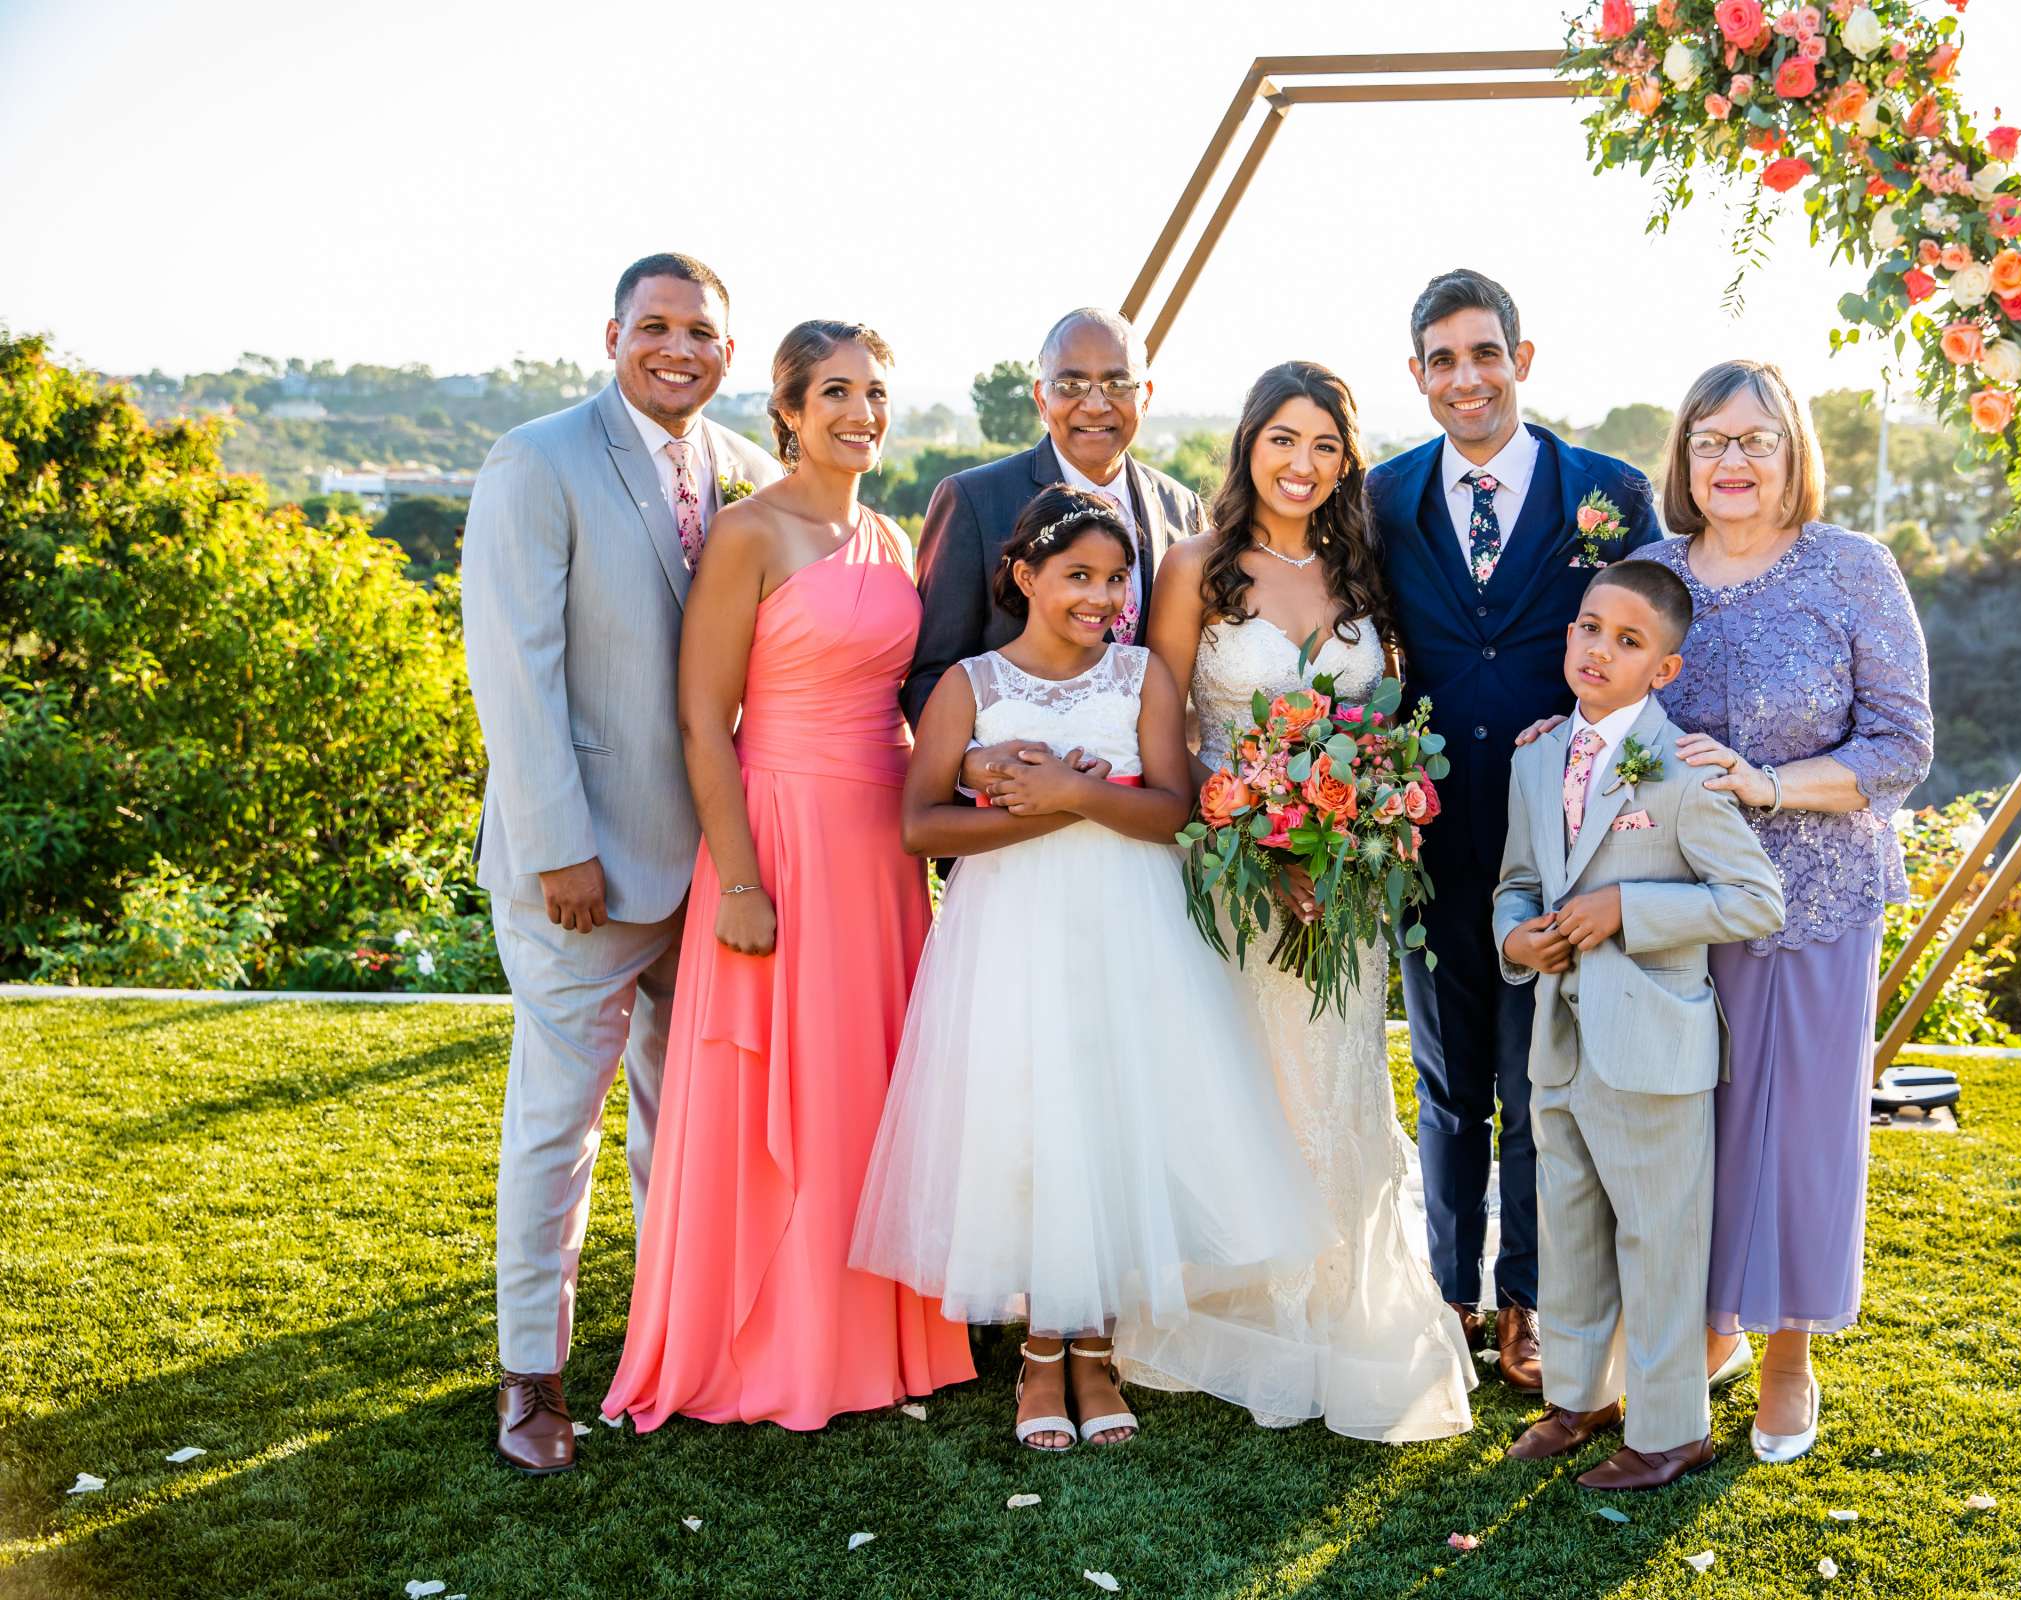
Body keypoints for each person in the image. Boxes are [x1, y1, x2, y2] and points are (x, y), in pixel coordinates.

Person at [851, 487, 1332, 1453]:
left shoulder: (1141, 676)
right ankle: (1040, 1355)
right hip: (1012, 937)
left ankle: (1098, 1349)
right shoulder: (971, 687)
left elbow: (1170, 809)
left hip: (1129, 930)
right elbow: (918, 825)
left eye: (1116, 579)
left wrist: (1071, 793)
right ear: (1025, 575)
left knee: (1112, 1114)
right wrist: (1017, 808)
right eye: (1078, 576)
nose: (1102, 597)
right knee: (1031, 1123)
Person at [602, 321, 975, 1434]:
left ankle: (879, 1335)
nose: (861, 414)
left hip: (880, 844)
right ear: (789, 411)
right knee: (789, 1088)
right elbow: (702, 721)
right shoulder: (747, 534)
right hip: (779, 837)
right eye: (836, 395)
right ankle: (771, 1339)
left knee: (871, 1084)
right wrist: (742, 880)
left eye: (875, 395)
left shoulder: (892, 538)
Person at [461, 252, 781, 1474]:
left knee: (682, 1122)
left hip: (709, 869)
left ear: (728, 354)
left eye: (700, 331)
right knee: (559, 1126)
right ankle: (529, 1377)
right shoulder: (535, 461)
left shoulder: (744, 473)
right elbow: (515, 671)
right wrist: (557, 848)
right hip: (581, 872)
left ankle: (670, 1341)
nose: (678, 348)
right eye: (655, 326)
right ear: (612, 335)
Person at [1127, 361, 1476, 1441]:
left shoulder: (1367, 573)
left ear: (1346, 459)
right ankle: (1234, 1292)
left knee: (1333, 1078)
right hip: (1233, 878)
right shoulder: (1198, 566)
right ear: (1248, 446)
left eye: (1325, 444)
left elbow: (1392, 716)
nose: (1302, 463)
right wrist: (1229, 835)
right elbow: (1158, 719)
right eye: (1283, 438)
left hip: (1348, 883)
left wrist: (1360, 832)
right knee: (1237, 1072)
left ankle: (1332, 1293)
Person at [1624, 358, 1932, 1465]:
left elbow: (1902, 743)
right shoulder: (1650, 574)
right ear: (1685, 459)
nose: (1733, 460)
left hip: (1820, 893)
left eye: (1756, 438)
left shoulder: (1854, 569)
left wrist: (1766, 782)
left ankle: (1789, 1350)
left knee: (1798, 1127)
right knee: (1690, 1123)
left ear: (1795, 450)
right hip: (1679, 901)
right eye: (1711, 440)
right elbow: (1607, 706)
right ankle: (1707, 1324)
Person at [1363, 268, 1662, 1391]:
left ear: (1521, 360)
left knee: (1542, 1082)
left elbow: (1642, 654)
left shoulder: (1610, 490)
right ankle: (1451, 1293)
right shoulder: (1383, 498)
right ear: (1419, 376)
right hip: (1429, 836)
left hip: (1562, 840)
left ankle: (1529, 1301)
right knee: (1447, 1083)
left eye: (1485, 354)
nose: (1467, 378)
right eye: (1443, 360)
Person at [1492, 562, 1784, 1491]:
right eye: (1589, 628)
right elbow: (1518, 882)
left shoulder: (1684, 770)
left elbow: (1754, 899)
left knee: (1658, 1243)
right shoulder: (1535, 758)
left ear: (1663, 670)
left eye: (1628, 642)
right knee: (1568, 1223)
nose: (1599, 650)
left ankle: (1670, 1430)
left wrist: (1630, 906)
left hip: (1654, 1044)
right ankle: (1578, 1398)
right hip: (1561, 1038)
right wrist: (1516, 937)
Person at [902, 307, 1205, 800]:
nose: (1094, 404)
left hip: (1147, 822)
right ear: (1042, 398)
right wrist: (970, 762)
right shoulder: (974, 500)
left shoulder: (1182, 508)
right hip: (1008, 815)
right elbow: (931, 671)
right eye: (1071, 386)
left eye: (1116, 384)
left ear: (1144, 396)